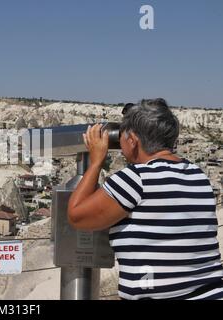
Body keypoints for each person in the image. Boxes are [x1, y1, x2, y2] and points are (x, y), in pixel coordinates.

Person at [67, 98, 223, 300]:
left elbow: (77, 216)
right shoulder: (197, 175)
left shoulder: (136, 179)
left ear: (132, 141)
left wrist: (96, 162)